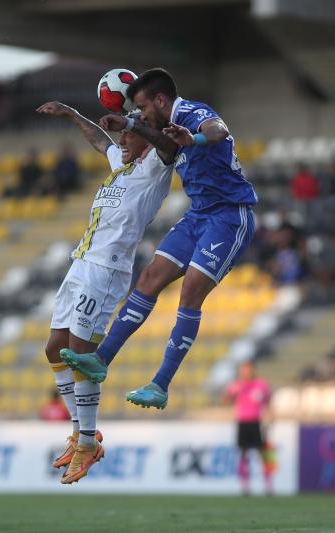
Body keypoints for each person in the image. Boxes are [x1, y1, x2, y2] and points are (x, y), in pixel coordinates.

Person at [61, 68, 258, 410]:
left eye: (141, 107)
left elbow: (218, 130)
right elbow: (154, 142)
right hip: (199, 214)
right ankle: (102, 359)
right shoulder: (163, 130)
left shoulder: (193, 114)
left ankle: (160, 384)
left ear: (161, 100)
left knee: (191, 289)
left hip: (229, 215)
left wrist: (194, 139)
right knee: (150, 277)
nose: (137, 114)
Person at [35, 100, 175, 483]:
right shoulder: (123, 164)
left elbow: (167, 145)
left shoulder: (154, 168)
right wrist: (71, 114)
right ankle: (83, 434)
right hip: (81, 263)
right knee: (53, 348)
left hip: (106, 271)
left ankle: (86, 443)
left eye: (129, 134)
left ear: (144, 137)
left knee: (80, 352)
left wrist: (134, 122)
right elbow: (99, 140)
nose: (121, 140)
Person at [223, 361, 275, 495]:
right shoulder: (236, 385)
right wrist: (232, 394)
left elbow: (268, 401)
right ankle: (245, 487)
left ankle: (268, 486)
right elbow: (226, 400)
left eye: (248, 370)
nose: (245, 373)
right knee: (243, 454)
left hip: (257, 422)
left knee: (262, 454)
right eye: (243, 370)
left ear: (253, 371)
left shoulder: (261, 385)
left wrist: (271, 417)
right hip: (242, 422)